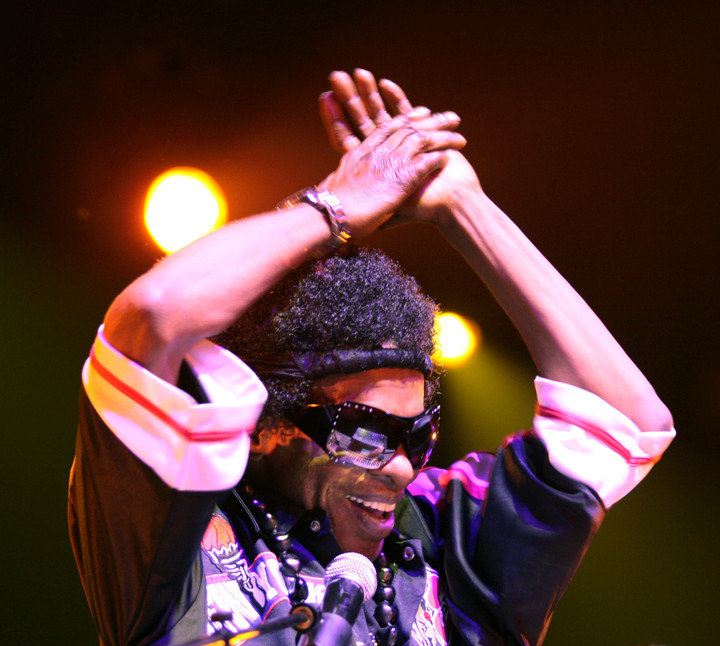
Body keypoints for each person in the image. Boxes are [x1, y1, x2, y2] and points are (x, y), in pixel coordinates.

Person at [68, 69, 675, 646]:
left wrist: (463, 206)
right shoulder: (176, 538)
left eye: (416, 436)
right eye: (364, 432)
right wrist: (333, 206)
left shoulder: (442, 538)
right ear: (268, 426)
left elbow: (627, 420)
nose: (403, 470)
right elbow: (154, 314)